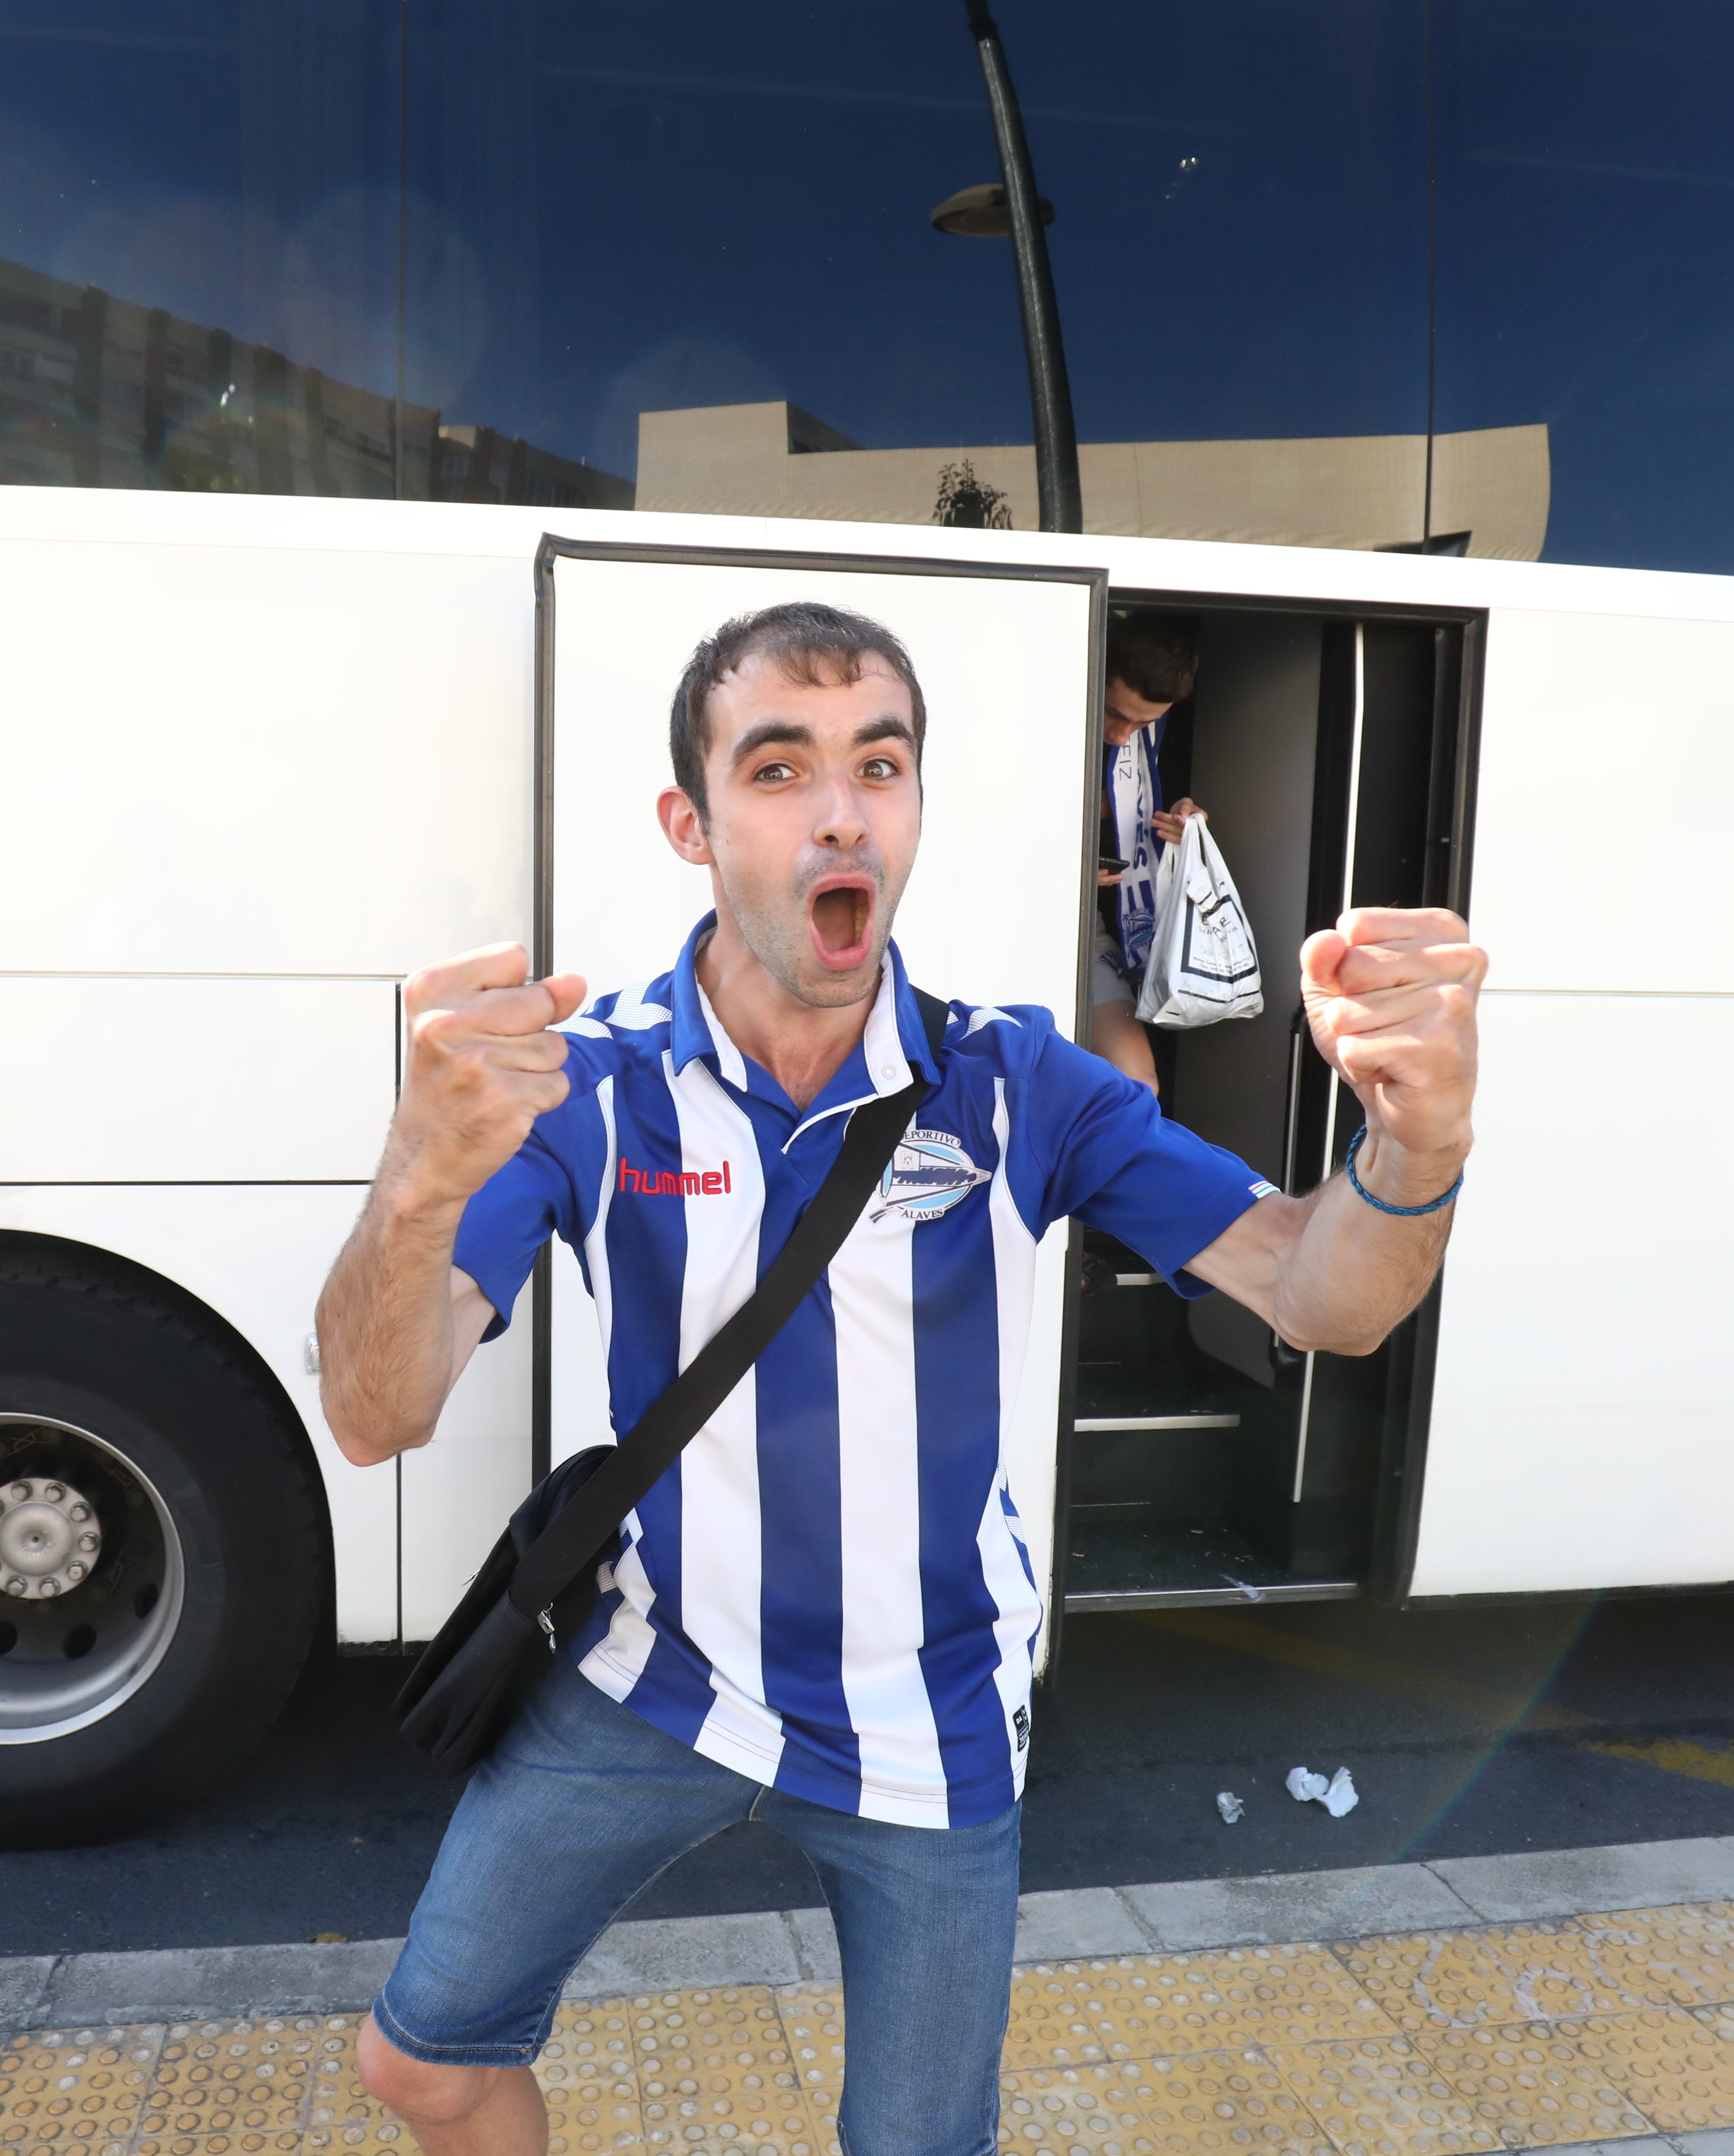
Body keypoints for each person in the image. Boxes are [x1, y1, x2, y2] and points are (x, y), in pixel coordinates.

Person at [314, 601, 1485, 2156]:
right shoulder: (592, 1090)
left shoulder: (1015, 1082)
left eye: (879, 764)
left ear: (918, 805)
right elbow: (376, 1414)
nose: (842, 812)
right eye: (778, 769)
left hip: (928, 1717)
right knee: (424, 2062)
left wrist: (1418, 1143)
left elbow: (1315, 1292)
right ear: (690, 825)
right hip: (656, 1681)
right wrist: (416, 1172)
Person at [1090, 615, 1205, 1096]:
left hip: (1094, 928)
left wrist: (1184, 821)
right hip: (1003, 912)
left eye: (1143, 723)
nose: (1123, 735)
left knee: (1136, 1086)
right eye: (1114, 714)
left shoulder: (1155, 734)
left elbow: (1160, 801)